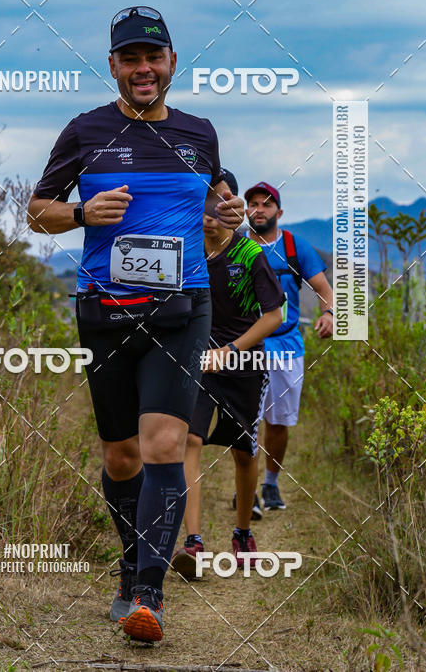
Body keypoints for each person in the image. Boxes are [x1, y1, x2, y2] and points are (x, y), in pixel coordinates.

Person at [27, 6, 244, 643]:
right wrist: (81, 211)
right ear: (114, 66)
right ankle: (129, 566)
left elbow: (216, 218)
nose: (143, 68)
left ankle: (148, 592)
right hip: (106, 311)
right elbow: (37, 213)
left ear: (172, 63)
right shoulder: (84, 132)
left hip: (182, 310)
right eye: (130, 58)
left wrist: (226, 219)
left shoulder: (201, 134)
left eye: (154, 56)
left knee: (163, 447)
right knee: (121, 457)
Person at [172, 169, 284, 579]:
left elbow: (274, 314)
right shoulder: (183, 250)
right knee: (190, 439)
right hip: (198, 363)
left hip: (244, 363)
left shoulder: (250, 255)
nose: (210, 213)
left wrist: (232, 350)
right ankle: (193, 543)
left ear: (233, 206)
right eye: (203, 203)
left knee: (243, 451)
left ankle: (241, 534)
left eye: (220, 203)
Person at [243, 182, 333, 513]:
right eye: (252, 203)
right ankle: (246, 488)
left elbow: (324, 287)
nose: (259, 209)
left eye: (266, 204)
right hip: (245, 346)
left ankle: (270, 483)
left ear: (278, 212)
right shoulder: (237, 245)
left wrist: (329, 313)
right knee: (246, 421)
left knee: (278, 422)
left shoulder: (295, 246)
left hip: (286, 345)